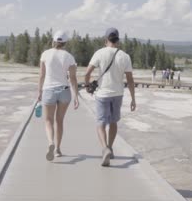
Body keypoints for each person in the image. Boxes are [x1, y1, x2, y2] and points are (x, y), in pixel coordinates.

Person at [85, 27, 136, 167]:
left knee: (100, 123)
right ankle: (110, 147)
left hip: (102, 94)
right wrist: (133, 99)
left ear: (105, 40)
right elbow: (130, 80)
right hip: (118, 94)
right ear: (118, 40)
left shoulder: (99, 53)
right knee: (113, 122)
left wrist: (88, 86)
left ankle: (105, 148)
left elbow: (87, 72)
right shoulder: (125, 56)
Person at [38, 30, 79, 161]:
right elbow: (73, 78)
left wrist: (39, 92)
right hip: (64, 91)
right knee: (59, 120)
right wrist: (76, 96)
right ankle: (57, 150)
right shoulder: (69, 56)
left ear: (54, 41)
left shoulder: (45, 54)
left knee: (48, 120)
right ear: (65, 43)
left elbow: (42, 75)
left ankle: (51, 143)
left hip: (49, 90)